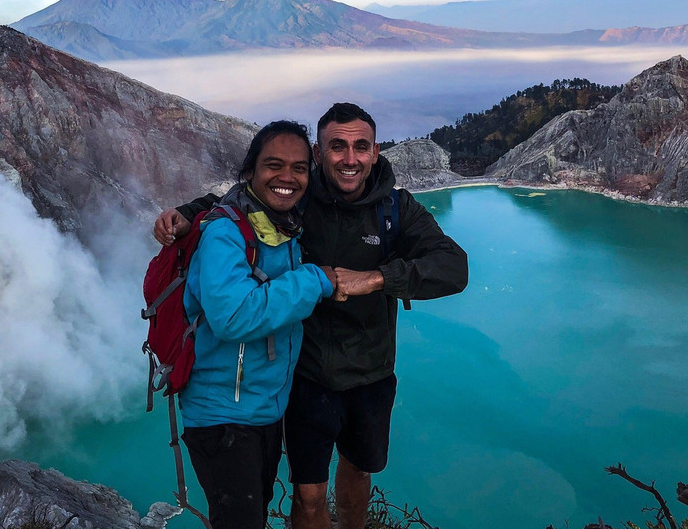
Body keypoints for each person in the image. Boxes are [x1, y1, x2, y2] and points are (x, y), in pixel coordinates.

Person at [155, 103, 468, 529]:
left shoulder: (395, 209)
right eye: (337, 147)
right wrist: (190, 212)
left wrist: (376, 278)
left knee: (358, 472)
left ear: (376, 152)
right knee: (308, 495)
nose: (350, 159)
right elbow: (240, 200)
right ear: (320, 155)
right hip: (307, 377)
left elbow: (454, 267)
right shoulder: (300, 196)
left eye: (361, 147)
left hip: (371, 372)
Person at [179, 120, 338, 529]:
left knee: (251, 515)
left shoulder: (282, 226)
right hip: (222, 417)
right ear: (250, 170)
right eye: (274, 165)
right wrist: (317, 279)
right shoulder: (226, 234)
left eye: (299, 168)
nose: (287, 177)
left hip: (261, 411)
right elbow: (234, 316)